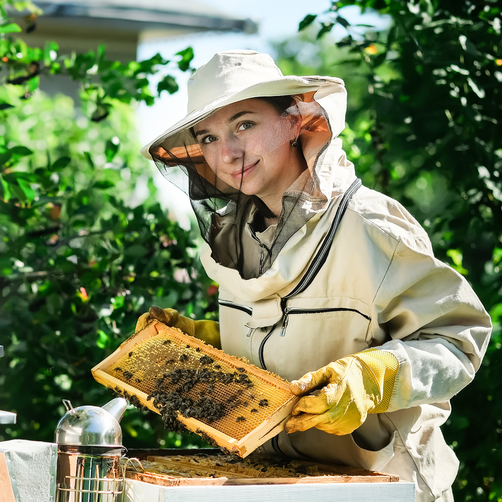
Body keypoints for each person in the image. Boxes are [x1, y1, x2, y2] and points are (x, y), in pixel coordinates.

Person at [136, 50, 491, 501]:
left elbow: (460, 338)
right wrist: (202, 348)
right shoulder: (236, 239)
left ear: (294, 121)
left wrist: (373, 378)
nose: (227, 153)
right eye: (208, 137)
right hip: (282, 485)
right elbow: (291, 346)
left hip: (386, 485)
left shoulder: (370, 225)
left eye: (244, 125)